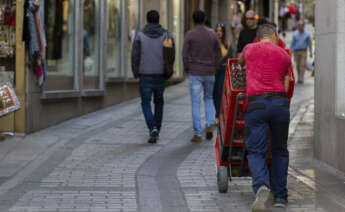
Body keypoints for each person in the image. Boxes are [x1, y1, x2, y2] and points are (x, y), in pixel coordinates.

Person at [240, 24, 291, 211]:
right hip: (279, 103)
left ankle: (261, 186)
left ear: (258, 37)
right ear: (275, 35)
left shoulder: (249, 49)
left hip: (256, 104)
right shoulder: (283, 54)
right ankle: (280, 196)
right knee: (279, 149)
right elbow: (286, 79)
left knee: (256, 150)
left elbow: (240, 62)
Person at [131, 10, 175, 144]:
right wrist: (169, 69)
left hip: (145, 74)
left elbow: (135, 55)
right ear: (158, 19)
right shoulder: (166, 35)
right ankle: (157, 127)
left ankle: (152, 127)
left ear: (147, 19)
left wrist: (135, 71)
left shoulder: (140, 36)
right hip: (160, 74)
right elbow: (171, 54)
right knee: (159, 102)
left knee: (145, 102)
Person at [182, 10, 221, 142]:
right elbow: (218, 53)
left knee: (196, 102)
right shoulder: (212, 34)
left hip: (195, 72)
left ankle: (198, 133)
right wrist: (215, 67)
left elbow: (184, 54)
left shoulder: (190, 34)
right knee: (209, 99)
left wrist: (188, 67)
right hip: (210, 72)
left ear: (193, 20)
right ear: (204, 19)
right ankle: (209, 124)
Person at [213, 23, 233, 124]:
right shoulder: (212, 43)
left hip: (223, 69)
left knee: (220, 91)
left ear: (223, 32)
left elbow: (230, 57)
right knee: (214, 93)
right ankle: (218, 111)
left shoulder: (227, 43)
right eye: (217, 31)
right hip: (213, 70)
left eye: (220, 31)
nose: (218, 33)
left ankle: (217, 115)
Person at [290, 20, 313, 84]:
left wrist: (311, 52)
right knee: (297, 65)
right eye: (299, 25)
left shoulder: (307, 34)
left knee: (302, 64)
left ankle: (301, 78)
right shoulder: (295, 34)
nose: (300, 27)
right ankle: (299, 75)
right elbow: (292, 43)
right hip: (296, 51)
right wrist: (290, 52)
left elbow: (309, 43)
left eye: (302, 25)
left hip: (303, 51)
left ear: (303, 26)